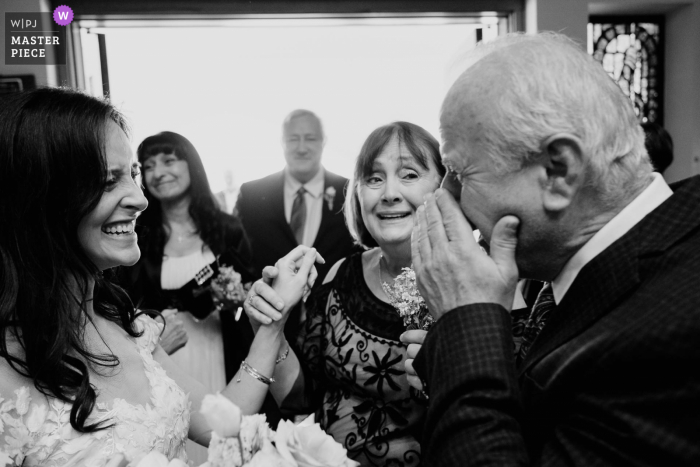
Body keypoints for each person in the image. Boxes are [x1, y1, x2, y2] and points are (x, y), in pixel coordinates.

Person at [403, 32, 700, 465]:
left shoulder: (665, 344)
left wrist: (464, 322)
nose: (447, 199)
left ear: (558, 172)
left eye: (461, 174)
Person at [0, 88, 315, 466]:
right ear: (41, 200)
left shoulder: (127, 324)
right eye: (107, 180)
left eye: (132, 174)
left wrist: (270, 324)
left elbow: (222, 426)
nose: (140, 197)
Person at [245, 122, 445, 466]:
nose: (389, 193)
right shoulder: (340, 274)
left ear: (443, 187)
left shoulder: (472, 284)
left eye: (409, 175)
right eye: (374, 178)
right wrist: (271, 327)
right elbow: (301, 399)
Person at [119, 131, 259, 463]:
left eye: (169, 160)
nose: (158, 172)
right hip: (163, 351)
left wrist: (235, 297)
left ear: (191, 165)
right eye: (149, 165)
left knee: (220, 434)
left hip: (219, 348)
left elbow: (250, 294)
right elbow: (124, 300)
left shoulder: (228, 230)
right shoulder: (137, 234)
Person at [234, 109, 356, 343]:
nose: (302, 147)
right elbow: (238, 256)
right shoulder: (251, 194)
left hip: (337, 328)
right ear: (282, 142)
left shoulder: (350, 191)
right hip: (269, 325)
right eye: (293, 138)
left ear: (323, 142)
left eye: (310, 138)